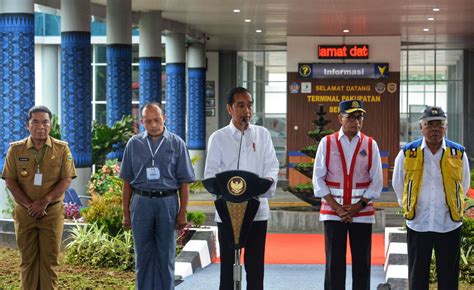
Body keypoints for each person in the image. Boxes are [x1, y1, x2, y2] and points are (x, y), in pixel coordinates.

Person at [204, 87, 279, 290]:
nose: (246, 110)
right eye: (240, 105)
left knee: (255, 269)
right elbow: (210, 175)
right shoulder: (218, 138)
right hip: (228, 214)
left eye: (249, 105)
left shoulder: (262, 135)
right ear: (229, 108)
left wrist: (264, 184)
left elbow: (272, 167)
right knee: (228, 269)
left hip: (257, 212)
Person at [392, 106, 470, 290]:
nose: (435, 128)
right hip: (419, 223)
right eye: (429, 124)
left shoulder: (457, 153)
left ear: (446, 127)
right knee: (418, 277)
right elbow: (398, 183)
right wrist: (409, 207)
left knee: (449, 278)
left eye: (439, 124)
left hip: (449, 224)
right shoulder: (408, 153)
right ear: (421, 126)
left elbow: (463, 185)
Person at [120, 102, 195, 290]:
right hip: (141, 202)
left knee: (166, 255)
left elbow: (184, 182)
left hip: (167, 203)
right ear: (141, 122)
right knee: (143, 256)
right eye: (148, 121)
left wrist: (182, 212)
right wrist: (125, 213)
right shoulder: (134, 144)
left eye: (157, 120)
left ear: (164, 118)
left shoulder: (177, 143)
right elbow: (127, 182)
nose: (153, 125)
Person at [2, 105, 77, 290]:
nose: (40, 126)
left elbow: (66, 179)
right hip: (25, 213)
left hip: (51, 213)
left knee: (49, 261)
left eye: (45, 122)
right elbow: (11, 181)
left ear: (50, 125)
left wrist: (44, 202)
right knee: (27, 260)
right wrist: (30, 205)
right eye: (35, 122)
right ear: (28, 125)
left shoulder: (62, 150)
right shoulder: (16, 150)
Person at [312, 100, 383, 290]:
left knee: (362, 264)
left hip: (361, 214)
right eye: (350, 117)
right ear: (340, 118)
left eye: (359, 117)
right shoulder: (326, 143)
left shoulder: (370, 144)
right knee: (334, 264)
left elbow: (377, 181)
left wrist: (357, 207)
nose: (356, 122)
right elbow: (317, 179)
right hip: (333, 213)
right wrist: (337, 208)